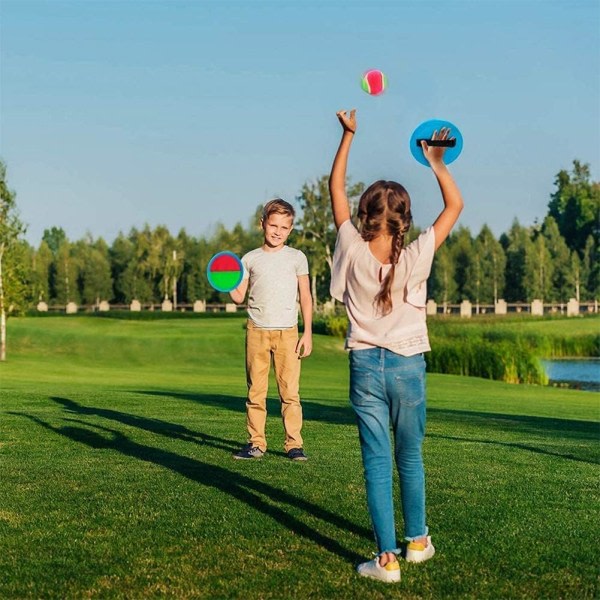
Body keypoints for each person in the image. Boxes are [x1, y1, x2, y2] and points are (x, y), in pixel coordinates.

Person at [329, 109, 463, 583]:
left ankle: (385, 560)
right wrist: (438, 163)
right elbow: (454, 208)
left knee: (377, 462)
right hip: (409, 367)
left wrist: (348, 136)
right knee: (410, 456)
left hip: (365, 365)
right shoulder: (418, 253)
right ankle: (418, 543)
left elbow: (335, 193)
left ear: (366, 216)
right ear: (404, 218)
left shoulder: (349, 245)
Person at [230, 198, 313, 461]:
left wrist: (307, 332)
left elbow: (306, 297)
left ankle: (294, 445)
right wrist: (226, 281)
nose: (277, 231)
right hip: (256, 331)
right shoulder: (249, 259)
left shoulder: (297, 258)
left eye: (284, 227)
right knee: (256, 392)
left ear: (291, 229)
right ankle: (256, 443)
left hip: (288, 333)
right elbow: (238, 296)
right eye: (273, 225)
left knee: (290, 393)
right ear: (262, 224)